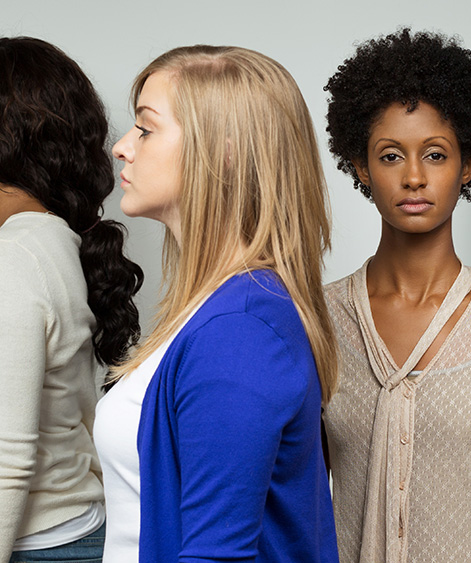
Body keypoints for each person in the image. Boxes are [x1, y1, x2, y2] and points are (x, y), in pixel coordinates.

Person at [322, 29, 471, 563]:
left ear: (468, 166)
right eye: (391, 157)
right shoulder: (318, 321)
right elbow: (301, 496)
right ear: (361, 168)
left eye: (435, 154)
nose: (414, 177)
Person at [93, 45, 339, 562]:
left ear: (222, 151)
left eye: (145, 128)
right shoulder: (221, 309)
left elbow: (217, 555)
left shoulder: (239, 331)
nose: (121, 147)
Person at [0, 36, 143, 563]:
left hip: (37, 543)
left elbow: (6, 459)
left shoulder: (16, 256)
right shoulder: (49, 238)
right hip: (68, 530)